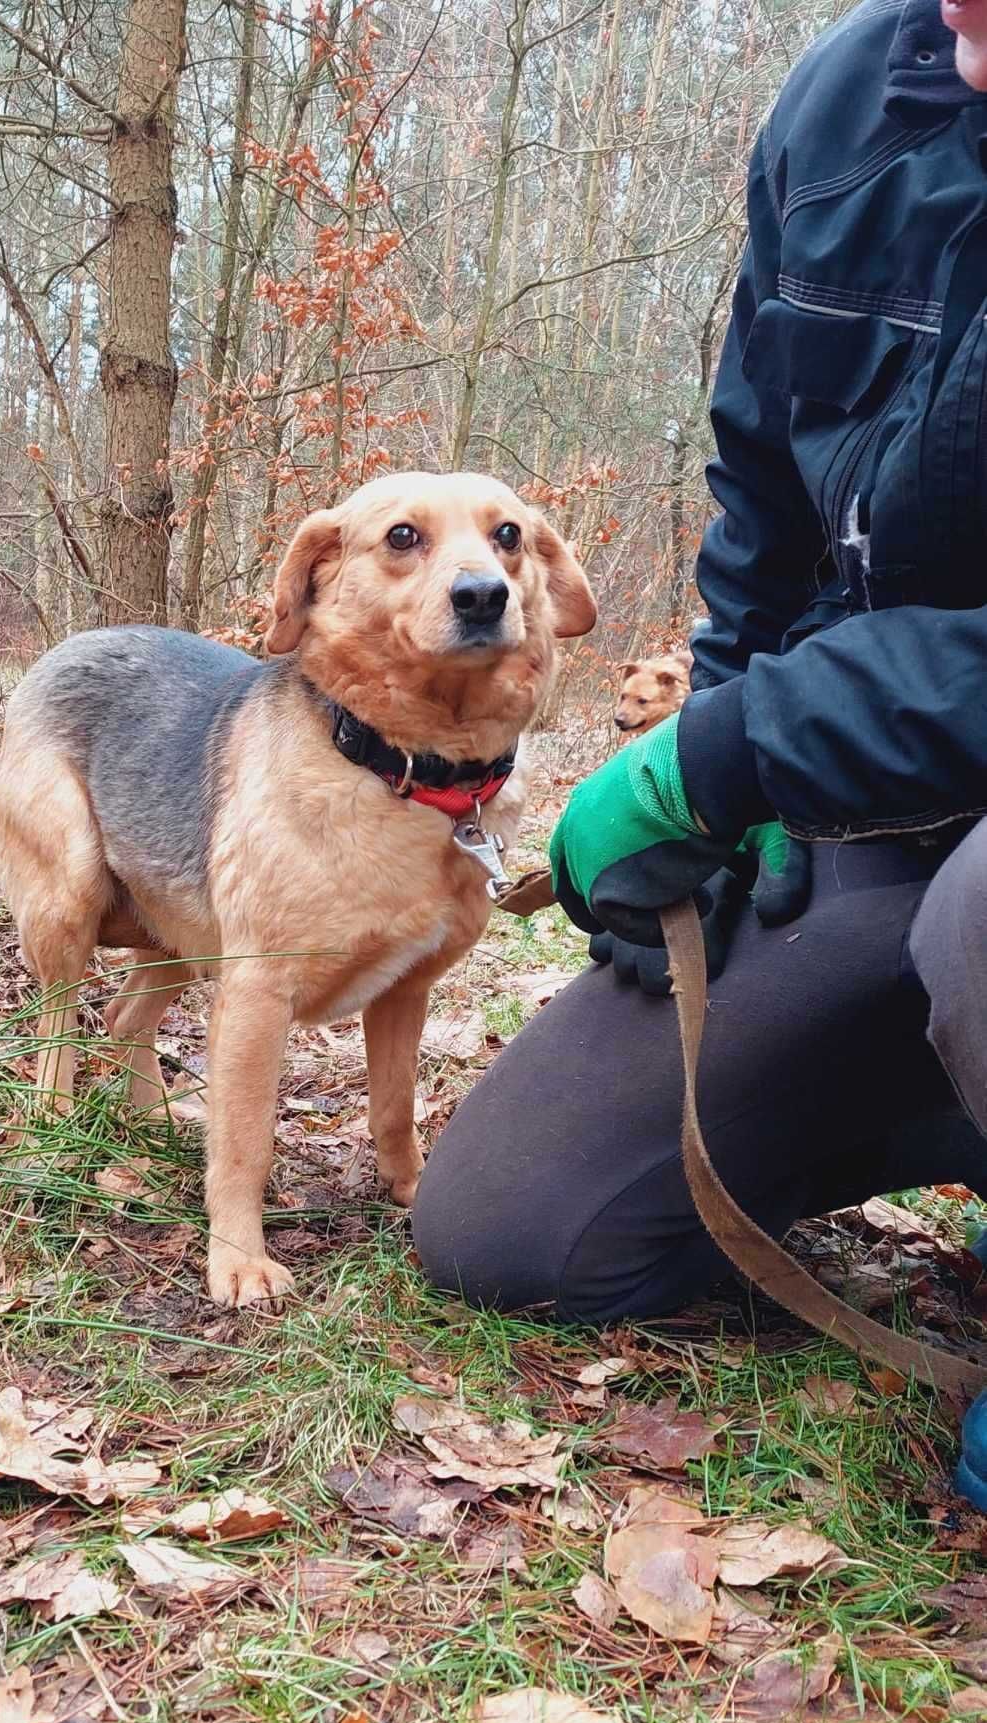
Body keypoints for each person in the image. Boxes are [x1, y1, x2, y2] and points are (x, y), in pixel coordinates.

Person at [412, 0, 987, 1330]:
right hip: (873, 789)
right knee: (516, 1224)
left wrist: (743, 745)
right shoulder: (850, 96)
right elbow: (766, 502)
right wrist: (724, 754)